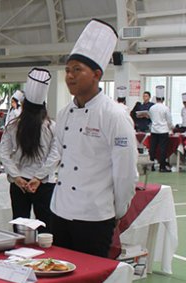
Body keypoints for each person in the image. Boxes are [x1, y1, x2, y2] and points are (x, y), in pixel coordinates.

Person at [48, 19, 137, 258]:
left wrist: (116, 211)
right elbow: (61, 157)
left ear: (97, 74)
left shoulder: (114, 115)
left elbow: (125, 172)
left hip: (94, 216)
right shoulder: (64, 113)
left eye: (77, 70)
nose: (69, 76)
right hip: (60, 211)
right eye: (67, 70)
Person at [0, 68, 57, 233]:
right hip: (44, 184)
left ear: (23, 106)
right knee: (46, 228)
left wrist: (16, 176)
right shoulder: (52, 126)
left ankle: (18, 258)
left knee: (19, 228)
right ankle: (48, 258)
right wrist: (38, 178)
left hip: (20, 184)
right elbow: (55, 155)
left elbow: (4, 152)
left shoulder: (13, 125)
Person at [148, 85, 173, 172]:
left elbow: (151, 118)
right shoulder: (165, 108)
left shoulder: (152, 108)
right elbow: (169, 121)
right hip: (163, 131)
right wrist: (170, 128)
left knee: (153, 148)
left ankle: (151, 165)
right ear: (163, 99)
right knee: (163, 149)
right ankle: (162, 167)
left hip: (154, 130)